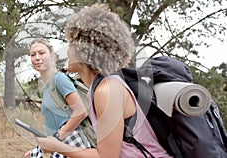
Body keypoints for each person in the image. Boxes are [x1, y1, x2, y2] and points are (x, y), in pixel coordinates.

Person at [34, 4, 172, 158]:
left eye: (71, 44)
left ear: (84, 51)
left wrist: (57, 146)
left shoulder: (107, 90)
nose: (67, 50)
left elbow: (106, 156)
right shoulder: (100, 86)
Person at [24, 38, 91, 158]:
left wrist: (58, 139)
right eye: (33, 55)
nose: (37, 58)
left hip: (72, 143)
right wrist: (39, 149)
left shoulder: (59, 79)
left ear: (52, 55)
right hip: (61, 146)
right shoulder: (47, 87)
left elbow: (81, 111)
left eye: (42, 53)